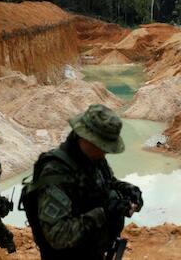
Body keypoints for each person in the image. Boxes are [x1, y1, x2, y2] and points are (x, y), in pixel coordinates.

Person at [22, 104, 143, 260]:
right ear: (85, 137)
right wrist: (104, 212)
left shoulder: (93, 158)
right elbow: (59, 236)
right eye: (102, 145)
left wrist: (129, 190)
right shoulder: (55, 172)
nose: (105, 151)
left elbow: (108, 181)